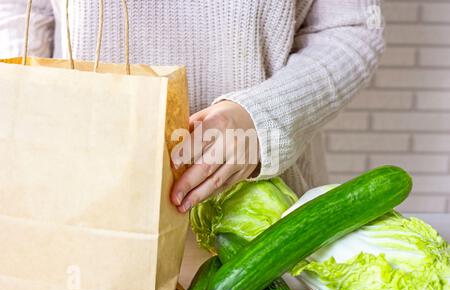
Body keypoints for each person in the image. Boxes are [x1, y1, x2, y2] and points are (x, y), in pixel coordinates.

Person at [0, 0, 384, 213]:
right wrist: (26, 111)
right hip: (78, 197)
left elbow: (351, 29)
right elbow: (19, 11)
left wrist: (264, 117)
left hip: (259, 210)